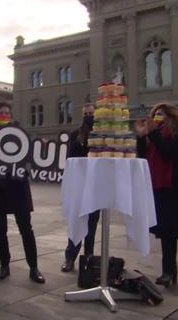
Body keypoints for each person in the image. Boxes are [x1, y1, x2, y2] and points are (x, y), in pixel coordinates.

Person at [0, 102, 45, 283]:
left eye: (6, 112)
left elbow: (29, 155)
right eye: (0, 112)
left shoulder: (18, 132)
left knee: (26, 228)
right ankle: (4, 265)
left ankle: (33, 267)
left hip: (17, 187)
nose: (4, 115)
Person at [135, 102, 178, 288]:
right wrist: (141, 137)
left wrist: (152, 132)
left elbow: (168, 152)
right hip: (158, 185)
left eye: (161, 114)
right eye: (155, 114)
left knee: (170, 231)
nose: (158, 116)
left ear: (170, 116)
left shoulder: (177, 134)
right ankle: (168, 271)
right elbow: (142, 156)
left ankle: (168, 271)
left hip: (173, 187)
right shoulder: (155, 134)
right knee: (164, 231)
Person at [61, 103, 100, 272]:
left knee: (91, 226)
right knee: (77, 223)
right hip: (80, 186)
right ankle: (70, 258)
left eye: (91, 113)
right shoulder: (75, 134)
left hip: (96, 186)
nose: (89, 116)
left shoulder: (102, 133)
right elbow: (70, 160)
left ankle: (88, 258)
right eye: (86, 113)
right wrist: (79, 141)